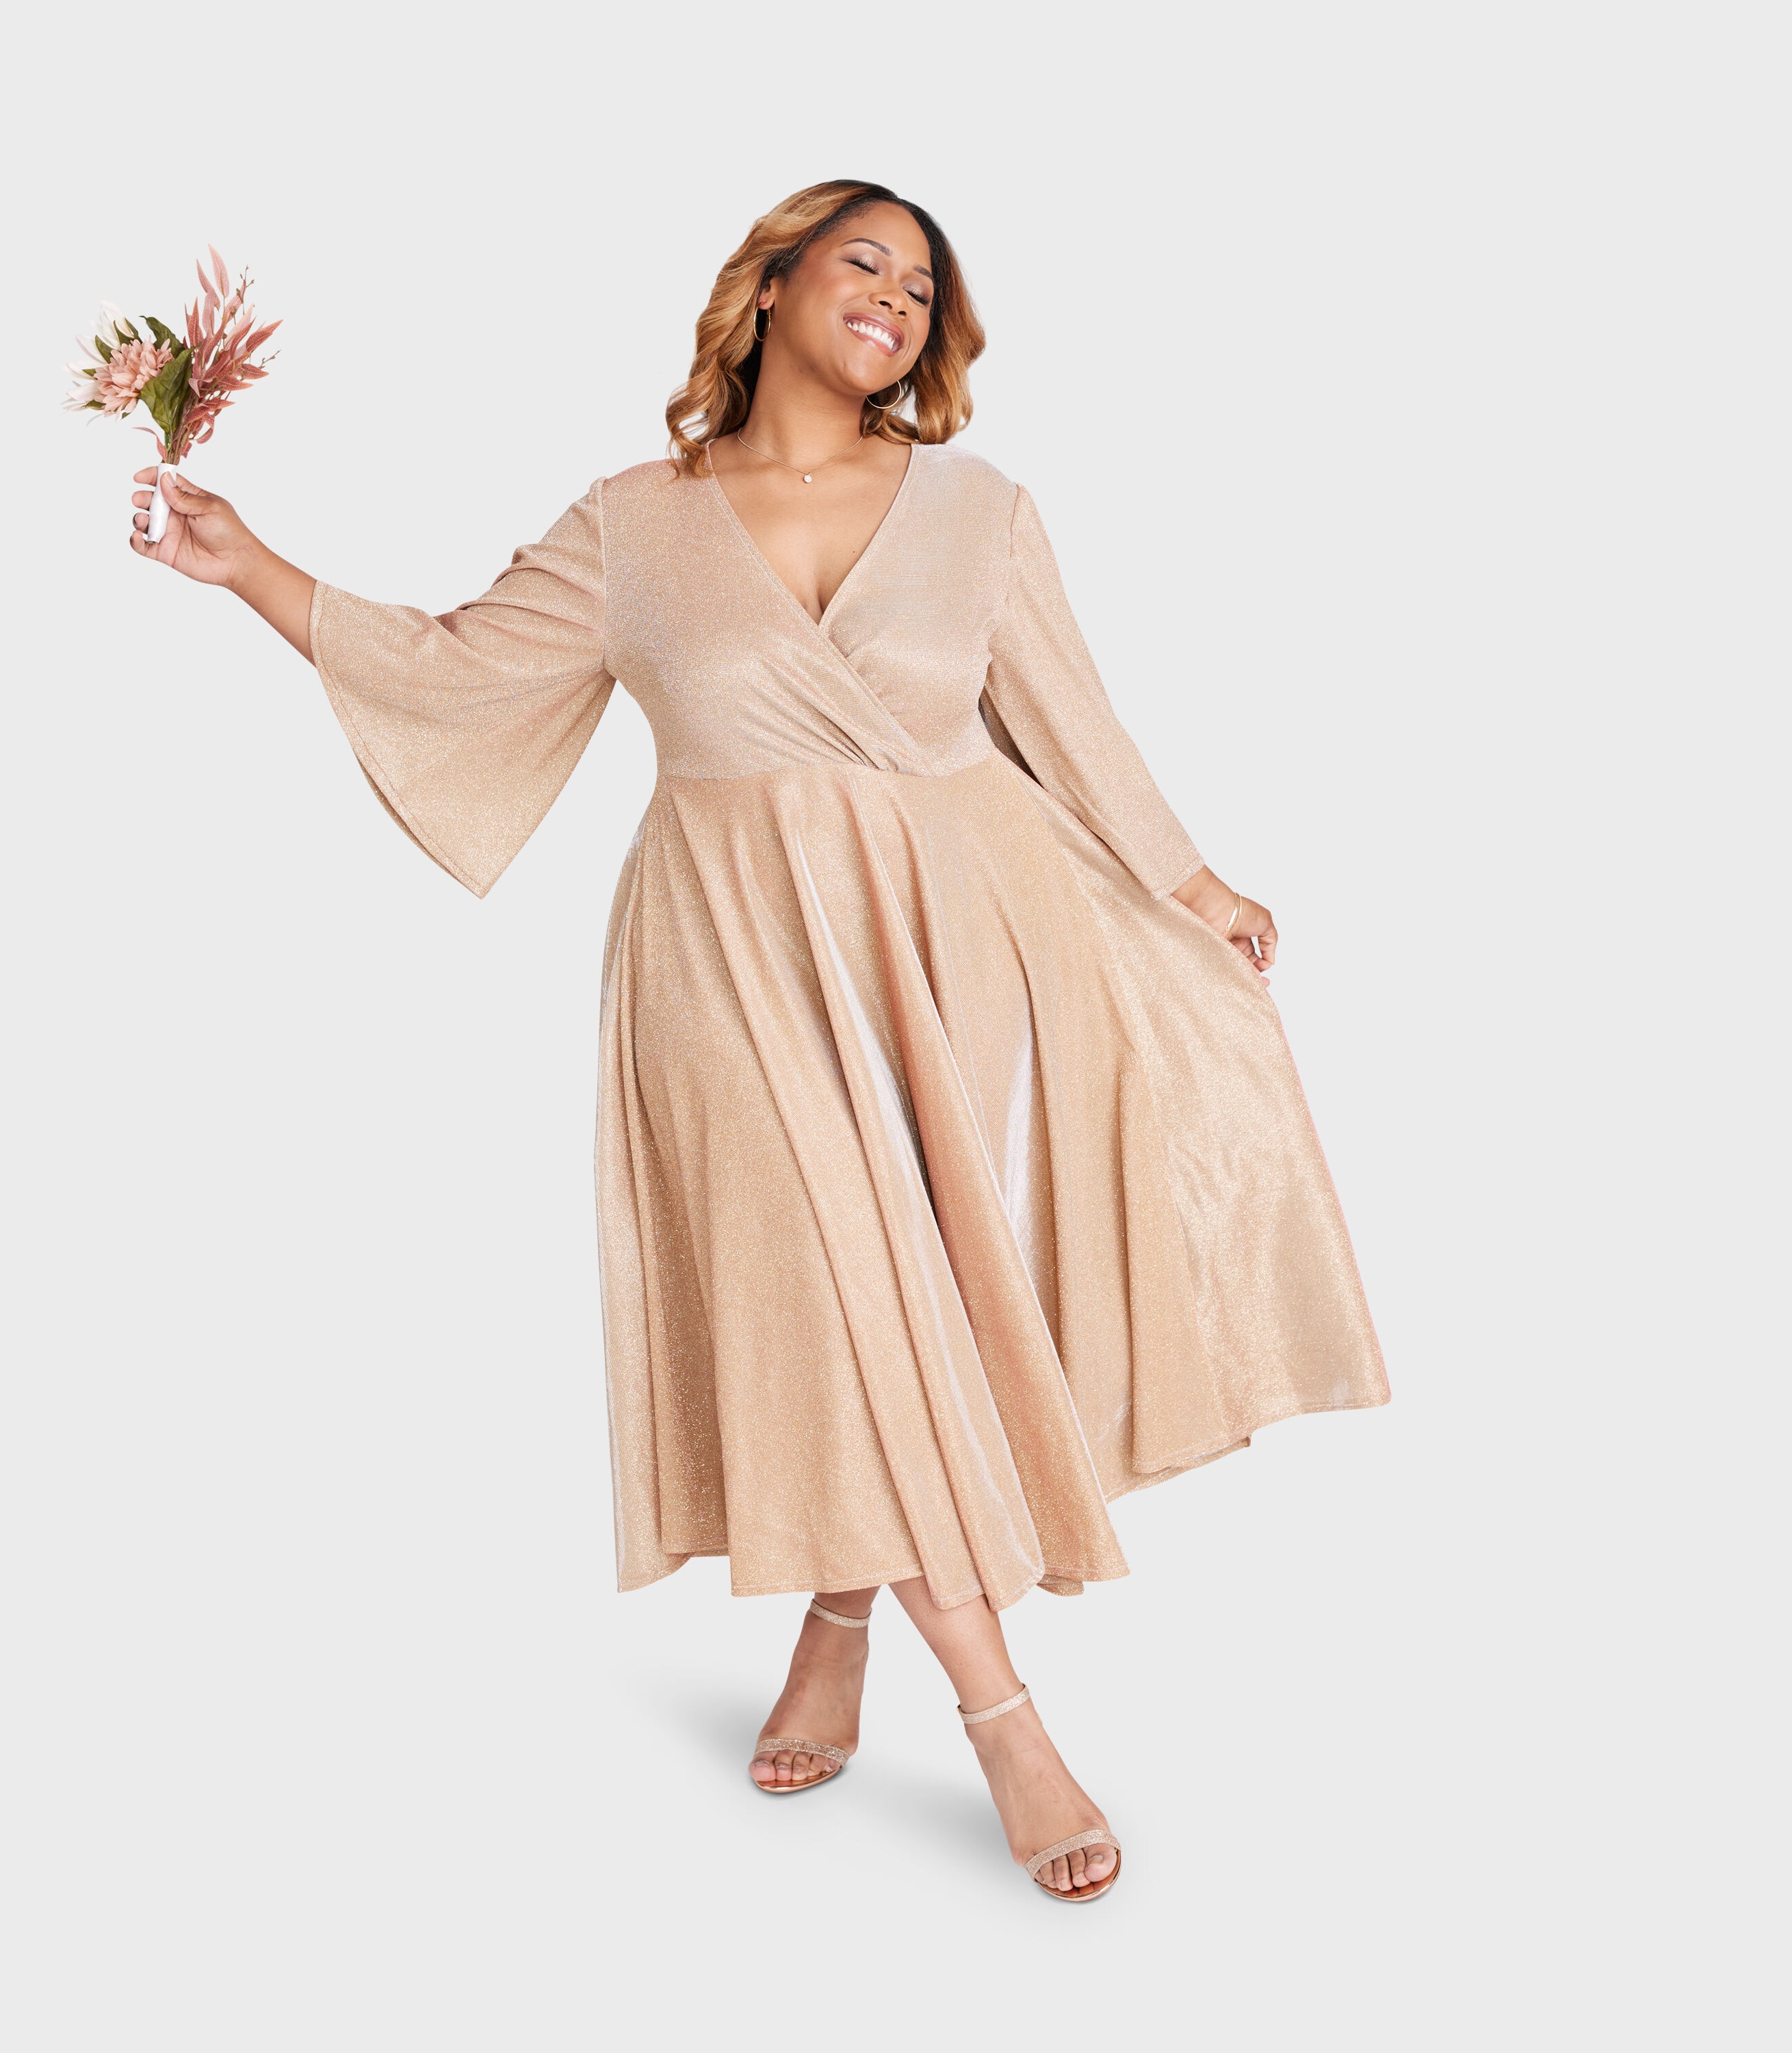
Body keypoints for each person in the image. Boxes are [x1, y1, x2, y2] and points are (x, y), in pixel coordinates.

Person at [125, 179, 1388, 1904]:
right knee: (836, 1289)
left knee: (910, 1306)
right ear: (774, 282)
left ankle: (836, 1625)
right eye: (864, 262)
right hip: (724, 953)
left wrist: (1196, 884)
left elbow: (1073, 722)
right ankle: (1006, 1719)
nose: (897, 299)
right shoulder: (634, 524)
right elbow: (453, 667)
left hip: (956, 943)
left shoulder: (981, 511)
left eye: (923, 287)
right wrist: (246, 564)